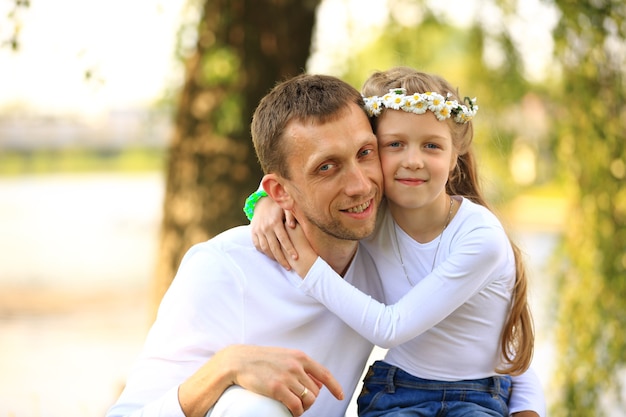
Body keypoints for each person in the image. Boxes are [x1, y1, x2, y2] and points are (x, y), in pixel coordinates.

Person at [106, 73, 543, 417]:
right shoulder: (222, 269)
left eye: (366, 153)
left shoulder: (382, 247)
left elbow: (488, 339)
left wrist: (525, 408)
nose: (359, 185)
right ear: (281, 191)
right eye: (327, 167)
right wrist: (225, 368)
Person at [249, 67, 542, 416]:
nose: (413, 161)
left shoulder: (480, 238)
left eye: (431, 146)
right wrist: (263, 204)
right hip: (397, 390)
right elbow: (299, 185)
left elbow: (393, 329)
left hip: (476, 395)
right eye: (394, 145)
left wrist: (306, 265)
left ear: (454, 158)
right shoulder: (368, 214)